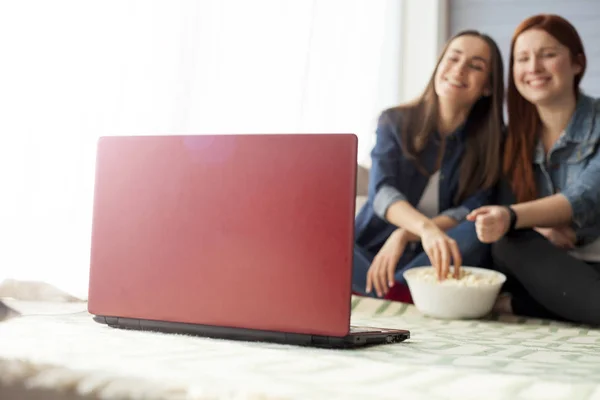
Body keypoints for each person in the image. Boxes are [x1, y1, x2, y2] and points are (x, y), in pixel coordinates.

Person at [467, 14, 600, 325]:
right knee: (506, 243)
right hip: (553, 267)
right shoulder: (513, 139)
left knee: (507, 227)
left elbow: (587, 194)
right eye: (522, 58)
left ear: (577, 63)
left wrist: (514, 216)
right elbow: (503, 204)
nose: (533, 68)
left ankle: (524, 305)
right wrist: (536, 225)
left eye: (548, 55)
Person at [353, 30, 505, 299]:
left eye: (475, 66)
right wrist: (425, 228)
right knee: (319, 235)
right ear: (439, 65)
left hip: (433, 258)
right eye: (453, 58)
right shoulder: (394, 121)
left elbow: (471, 209)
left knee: (478, 230)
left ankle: (393, 292)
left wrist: (405, 234)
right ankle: (402, 293)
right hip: (371, 252)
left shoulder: (494, 142)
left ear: (488, 86)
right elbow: (382, 192)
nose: (459, 70)